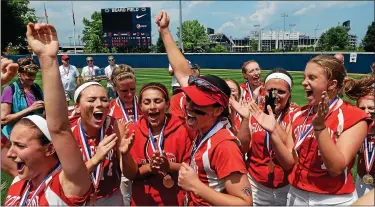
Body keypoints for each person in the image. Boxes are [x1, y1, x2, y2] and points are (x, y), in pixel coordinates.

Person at [157, 10, 253, 206]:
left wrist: (196, 187)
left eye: (198, 104)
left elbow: (245, 203)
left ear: (218, 110)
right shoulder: (204, 128)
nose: (189, 108)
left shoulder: (224, 145)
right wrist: (165, 31)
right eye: (190, 101)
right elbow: (183, 74)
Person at [254, 55, 369, 205]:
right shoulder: (298, 114)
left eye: (312, 77)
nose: (303, 82)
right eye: (304, 77)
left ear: (332, 84)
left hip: (333, 199)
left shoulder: (354, 116)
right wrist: (273, 132)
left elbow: (336, 169)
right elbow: (289, 163)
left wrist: (320, 128)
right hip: (296, 195)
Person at [5, 22, 92, 206]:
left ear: (50, 148)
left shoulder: (68, 186)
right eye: (11, 144)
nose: (10, 153)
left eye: (19, 145)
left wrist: (46, 58)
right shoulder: (20, 178)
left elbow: (59, 129)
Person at [232, 69, 299, 206]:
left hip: (287, 186)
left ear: (290, 92)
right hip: (256, 185)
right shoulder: (254, 112)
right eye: (271, 91)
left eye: (281, 92)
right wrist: (245, 120)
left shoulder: (297, 114)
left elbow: (289, 159)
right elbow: (242, 149)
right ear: (263, 90)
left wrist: (272, 119)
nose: (275, 96)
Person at [123, 82, 192, 206]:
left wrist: (168, 166)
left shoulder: (182, 130)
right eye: (147, 102)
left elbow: (191, 168)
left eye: (157, 101)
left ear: (167, 104)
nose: (152, 106)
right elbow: (131, 174)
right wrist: (149, 167)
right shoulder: (133, 131)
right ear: (140, 106)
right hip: (142, 200)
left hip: (174, 200)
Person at [70, 80, 136, 205]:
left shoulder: (115, 126)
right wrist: (95, 160)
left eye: (104, 99)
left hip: (110, 197)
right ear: (77, 107)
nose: (99, 104)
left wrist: (125, 155)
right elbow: (69, 179)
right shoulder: (69, 132)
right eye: (91, 100)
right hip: (76, 199)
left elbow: (131, 174)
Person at [108, 64, 139, 205]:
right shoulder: (109, 109)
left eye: (132, 89)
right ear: (115, 88)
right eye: (124, 91)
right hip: (122, 165)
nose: (130, 94)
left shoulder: (145, 103)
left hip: (145, 161)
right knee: (126, 200)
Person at [343, 76, 375, 198]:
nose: (366, 112)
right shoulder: (357, 130)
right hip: (362, 182)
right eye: (362, 108)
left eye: (371, 108)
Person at [1, 57, 44, 139]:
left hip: (33, 136)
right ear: (19, 73)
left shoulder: (36, 88)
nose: (33, 78)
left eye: (34, 74)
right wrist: (30, 109)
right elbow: (3, 120)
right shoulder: (10, 90)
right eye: (29, 75)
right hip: (12, 137)